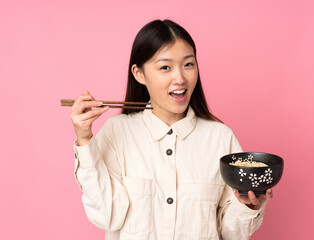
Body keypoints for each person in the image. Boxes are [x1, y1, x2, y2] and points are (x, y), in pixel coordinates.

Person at [70, 19, 273, 240]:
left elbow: (228, 233)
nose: (180, 78)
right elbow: (105, 216)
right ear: (139, 74)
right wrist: (85, 140)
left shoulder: (221, 138)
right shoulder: (118, 132)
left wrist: (248, 206)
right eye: (165, 67)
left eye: (188, 64)